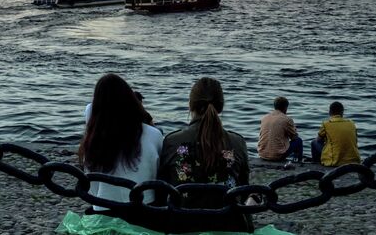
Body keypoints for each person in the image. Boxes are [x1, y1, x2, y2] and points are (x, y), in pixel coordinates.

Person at [158, 77, 253, 233]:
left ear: (190, 105)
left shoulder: (172, 142)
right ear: (221, 107)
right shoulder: (237, 142)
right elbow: (243, 190)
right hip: (229, 226)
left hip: (182, 226)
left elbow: (161, 189)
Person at [78, 74, 163, 213]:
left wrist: (103, 102)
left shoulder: (95, 138)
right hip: (144, 209)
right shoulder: (154, 134)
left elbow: (90, 109)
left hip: (102, 208)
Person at [311, 101, 360, 166]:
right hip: (354, 161)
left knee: (314, 142)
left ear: (330, 112)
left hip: (335, 162)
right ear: (342, 112)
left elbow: (319, 140)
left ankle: (317, 164)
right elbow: (355, 141)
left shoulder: (327, 124)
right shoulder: (352, 123)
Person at [257, 96, 303, 162]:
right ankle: (298, 161)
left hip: (262, 154)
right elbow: (294, 137)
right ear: (285, 107)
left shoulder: (264, 118)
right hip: (277, 156)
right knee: (298, 141)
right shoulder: (287, 119)